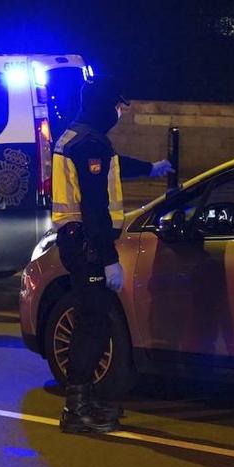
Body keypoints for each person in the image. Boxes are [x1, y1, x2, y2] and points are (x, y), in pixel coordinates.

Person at [52, 76, 173, 434]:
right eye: (118, 106)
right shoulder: (90, 143)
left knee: (93, 321)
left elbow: (112, 165)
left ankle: (85, 399)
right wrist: (107, 257)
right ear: (105, 104)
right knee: (93, 324)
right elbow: (95, 205)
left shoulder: (77, 137)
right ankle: (76, 409)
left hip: (76, 241)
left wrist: (151, 169)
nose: (120, 113)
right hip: (88, 244)